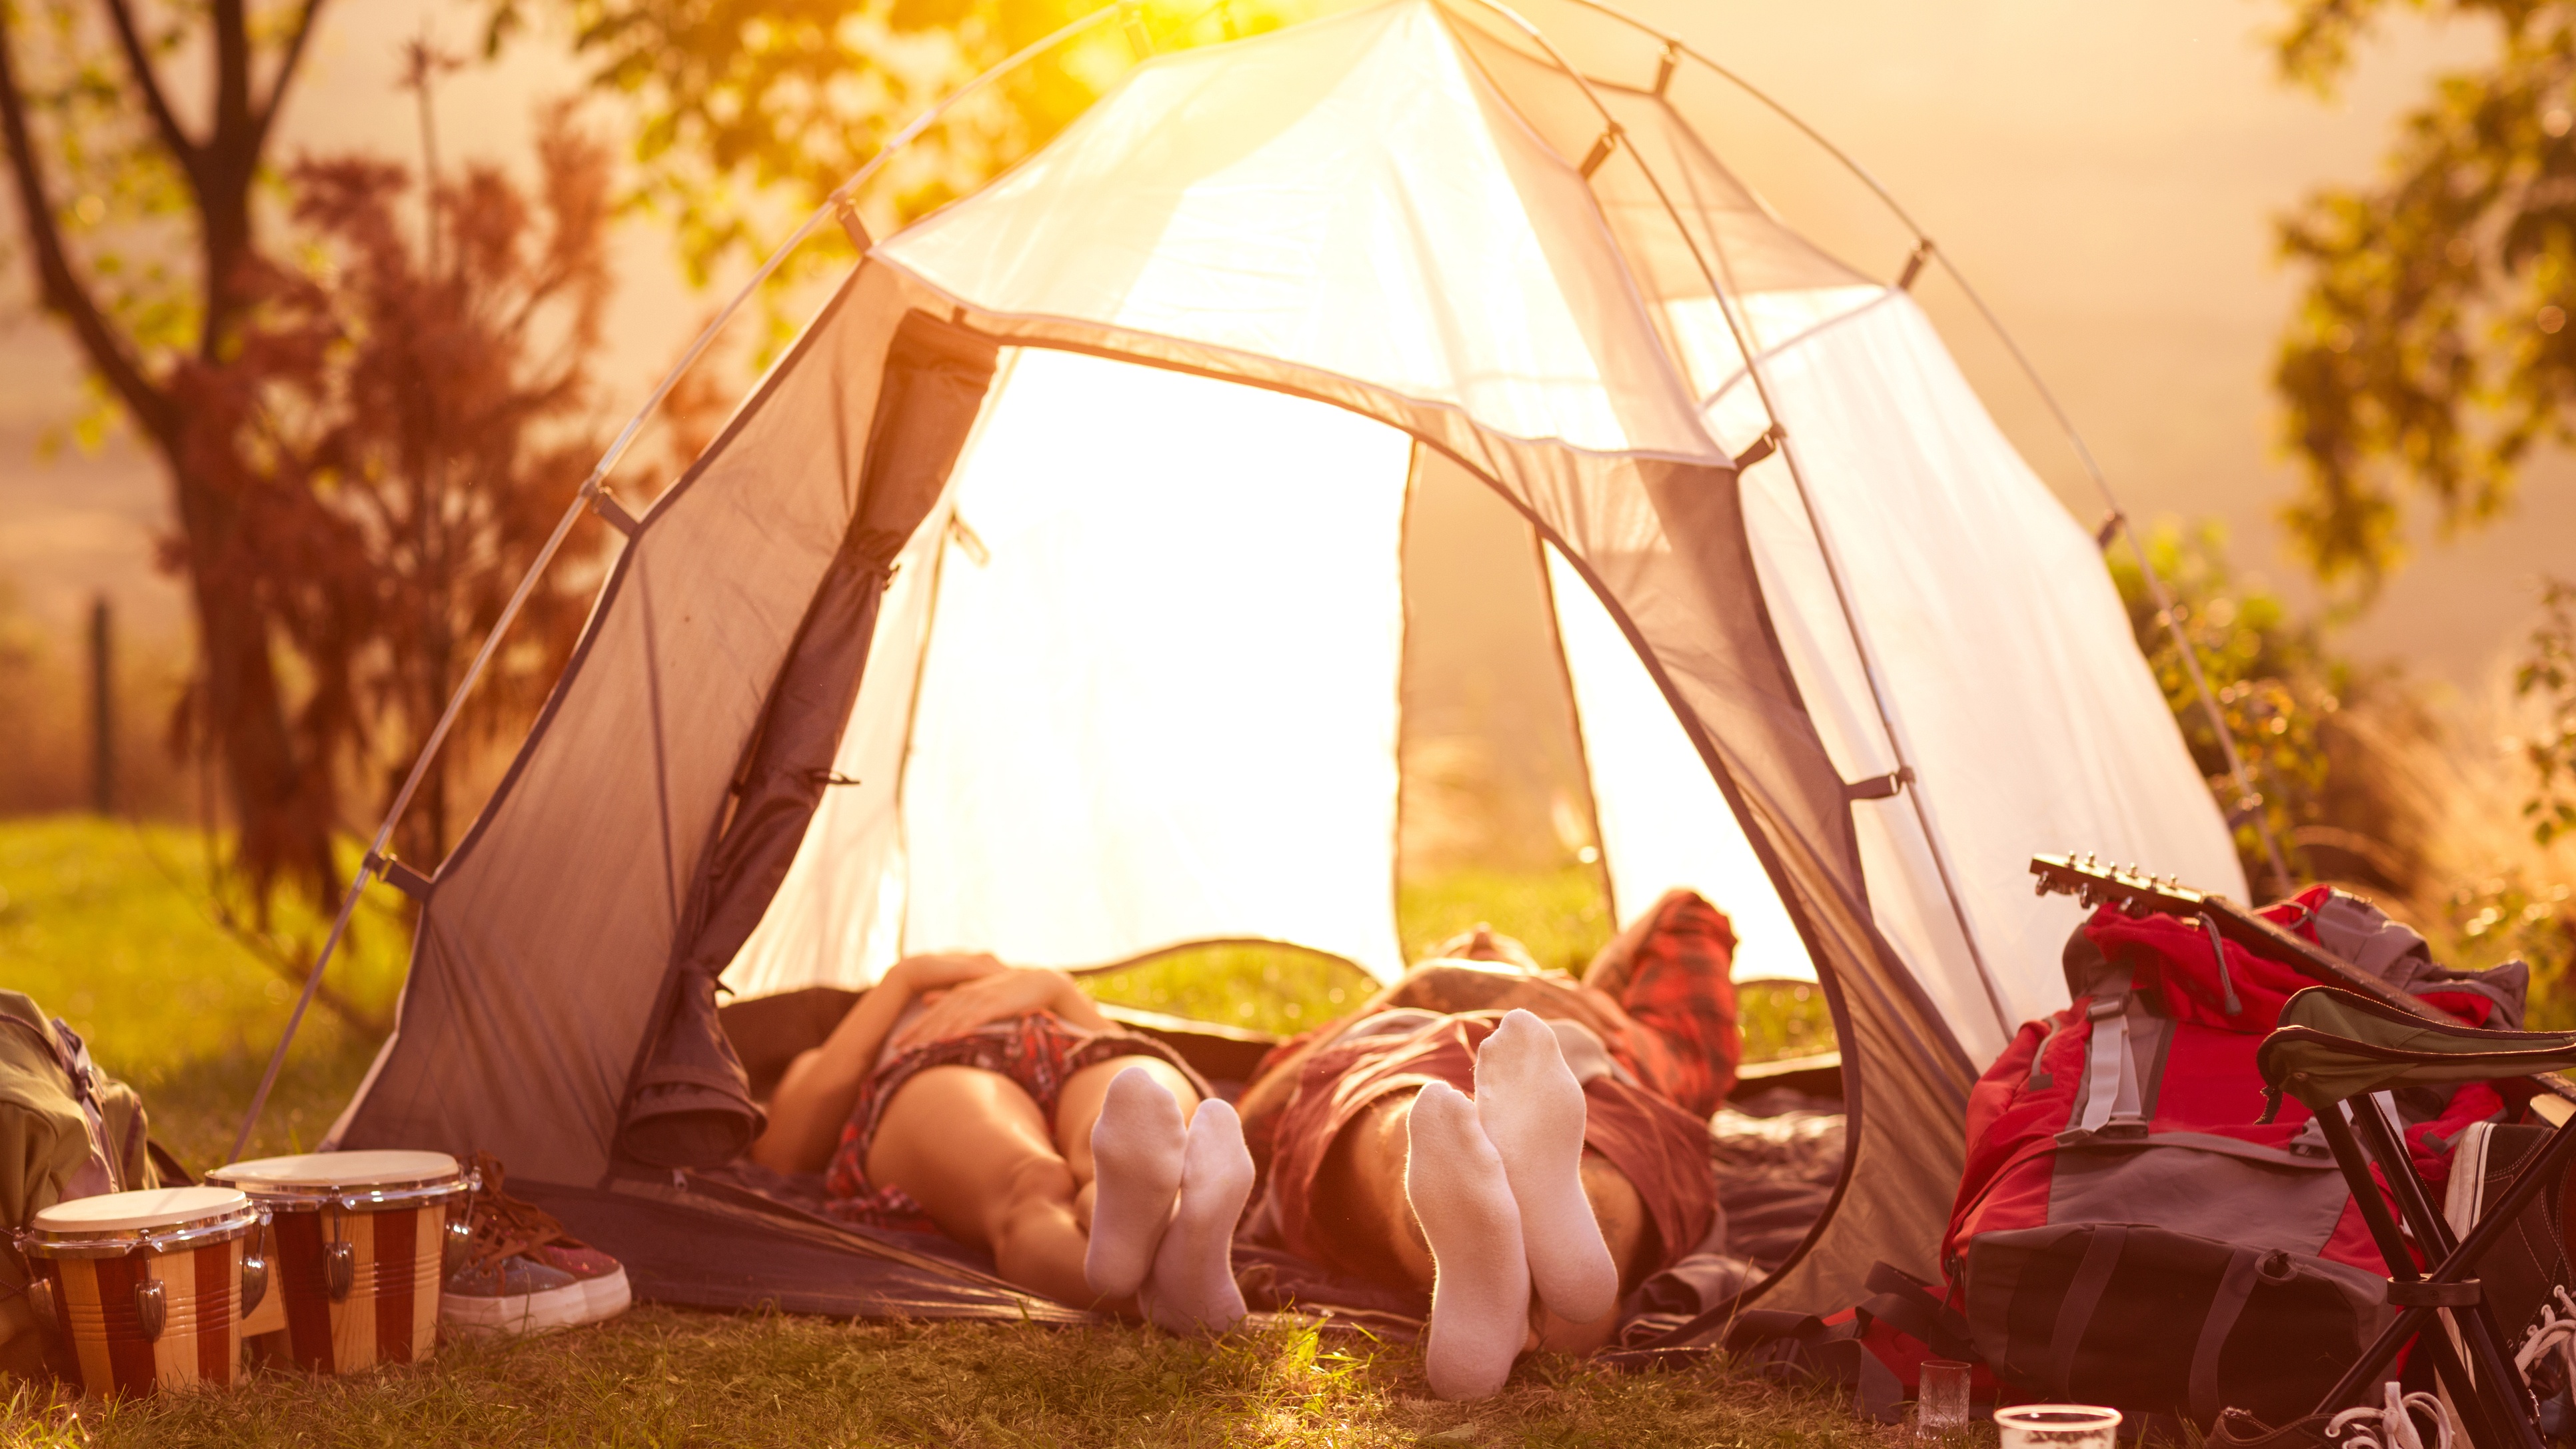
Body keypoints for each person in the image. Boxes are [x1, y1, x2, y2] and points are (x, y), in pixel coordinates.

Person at [751, 888, 1741, 1400]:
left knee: (1124, 1144)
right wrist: (901, 984)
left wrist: (1052, 987)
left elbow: (1687, 920)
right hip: (938, 1075)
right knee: (1035, 1178)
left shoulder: (1612, 1021)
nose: (1488, 945)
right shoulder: (896, 1023)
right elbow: (787, 1136)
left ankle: (1179, 1251)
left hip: (1094, 1045)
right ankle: (1145, 1267)